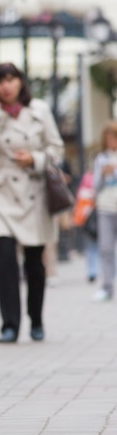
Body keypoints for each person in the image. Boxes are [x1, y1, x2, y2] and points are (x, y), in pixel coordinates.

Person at [0, 62, 64, 343]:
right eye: (0, 80)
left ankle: (36, 319)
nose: (6, 85)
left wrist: (34, 159)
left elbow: (57, 150)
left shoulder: (39, 110)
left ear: (21, 82)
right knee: (4, 257)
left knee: (35, 262)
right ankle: (9, 324)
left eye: (11, 79)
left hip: (33, 192)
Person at [92, 120, 117, 302]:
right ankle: (107, 287)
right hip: (105, 208)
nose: (111, 142)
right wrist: (103, 174)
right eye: (108, 139)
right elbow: (95, 186)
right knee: (106, 248)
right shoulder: (100, 158)